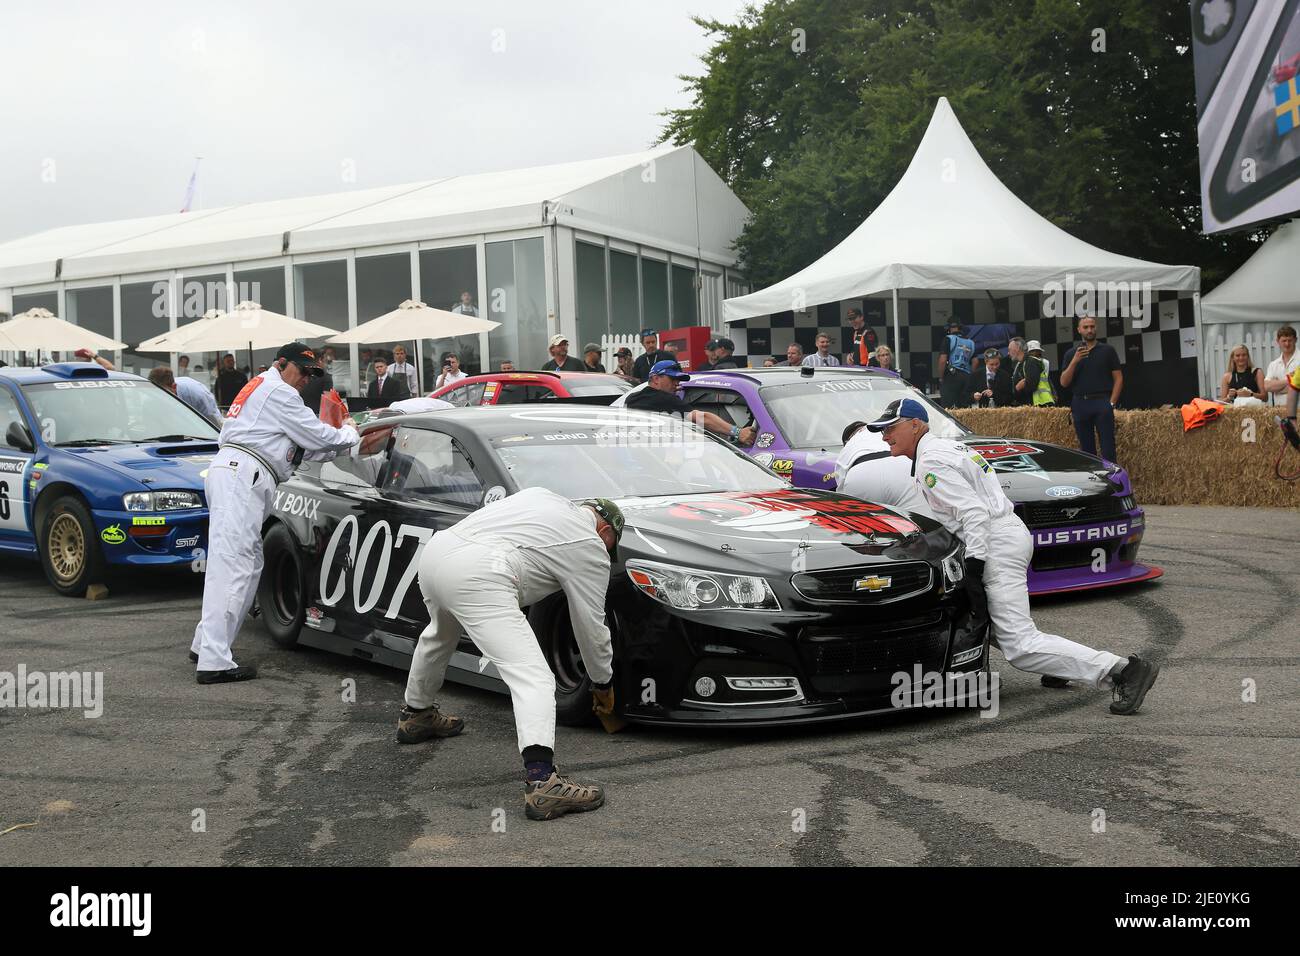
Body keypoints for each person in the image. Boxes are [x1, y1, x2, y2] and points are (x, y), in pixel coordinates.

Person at [868, 397, 1159, 714]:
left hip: (994, 542)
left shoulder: (930, 463)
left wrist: (975, 567)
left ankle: (1122, 670)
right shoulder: (949, 448)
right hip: (1005, 534)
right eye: (882, 430)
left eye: (890, 428)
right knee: (977, 613)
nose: (884, 436)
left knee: (1019, 646)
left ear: (915, 425)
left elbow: (974, 513)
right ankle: (1064, 665)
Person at [400, 488, 624, 821]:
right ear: (606, 532)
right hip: (480, 570)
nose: (607, 554)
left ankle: (416, 714)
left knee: (438, 635)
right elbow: (591, 627)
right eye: (611, 547)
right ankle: (543, 782)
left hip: (436, 554)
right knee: (533, 676)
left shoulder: (542, 496)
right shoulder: (589, 545)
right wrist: (602, 682)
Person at [190, 343, 359, 683]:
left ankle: (206, 645)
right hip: (242, 474)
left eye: (312, 373)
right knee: (234, 564)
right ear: (281, 364)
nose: (306, 379)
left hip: (242, 472)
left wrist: (343, 441)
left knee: (244, 564)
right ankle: (213, 660)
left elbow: (298, 450)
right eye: (302, 370)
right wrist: (350, 434)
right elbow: (315, 435)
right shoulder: (278, 390)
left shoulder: (267, 388)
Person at [625, 360, 756, 445]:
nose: (677, 383)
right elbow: (703, 418)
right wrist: (738, 432)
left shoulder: (632, 398)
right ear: (655, 379)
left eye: (679, 379)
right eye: (672, 379)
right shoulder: (666, 400)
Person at [834, 421, 934, 518]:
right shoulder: (884, 434)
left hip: (861, 472)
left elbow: (842, 494)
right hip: (900, 464)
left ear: (847, 440)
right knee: (920, 519)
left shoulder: (848, 447)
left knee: (864, 527)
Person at [1059, 316, 1122, 462]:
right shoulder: (1071, 354)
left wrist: (1111, 403)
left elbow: (1118, 378)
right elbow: (1064, 382)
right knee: (1087, 450)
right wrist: (1075, 361)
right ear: (1079, 330)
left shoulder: (1107, 350)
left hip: (1102, 402)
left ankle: (1111, 481)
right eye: (1086, 327)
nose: (1089, 330)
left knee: (1108, 448)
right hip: (1080, 403)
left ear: (1096, 328)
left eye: (1092, 326)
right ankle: (1093, 483)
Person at [148, 366, 221, 428]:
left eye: (163, 394)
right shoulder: (151, 394)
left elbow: (213, 422)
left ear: (174, 387)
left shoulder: (197, 394)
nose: (160, 398)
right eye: (156, 394)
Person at [938, 321, 975, 408]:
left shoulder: (948, 339)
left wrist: (941, 377)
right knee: (964, 407)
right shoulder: (970, 342)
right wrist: (970, 375)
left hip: (951, 375)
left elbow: (942, 360)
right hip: (966, 375)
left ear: (950, 329)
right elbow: (975, 361)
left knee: (947, 407)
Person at [1263, 325, 1299, 406]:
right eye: (1284, 340)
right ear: (1277, 341)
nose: (1287, 344)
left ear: (1296, 340)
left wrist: (1276, 386)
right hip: (1280, 412)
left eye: (1290, 340)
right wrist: (1290, 380)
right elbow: (1267, 386)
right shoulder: (1273, 364)